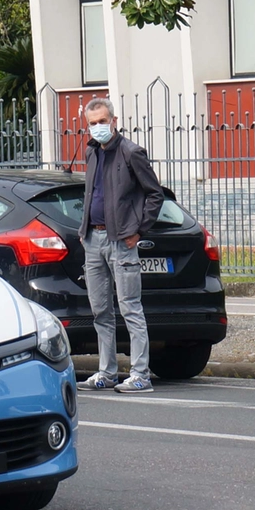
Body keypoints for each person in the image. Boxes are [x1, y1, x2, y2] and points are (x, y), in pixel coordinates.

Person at [75, 97, 166, 394]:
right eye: (92, 123)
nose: (98, 127)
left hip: (121, 240)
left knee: (130, 308)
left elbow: (155, 194)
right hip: (93, 239)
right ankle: (107, 372)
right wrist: (84, 229)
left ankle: (140, 374)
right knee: (100, 309)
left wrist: (139, 230)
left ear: (113, 120)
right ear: (86, 125)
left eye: (103, 121)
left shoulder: (131, 152)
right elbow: (92, 194)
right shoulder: (91, 153)